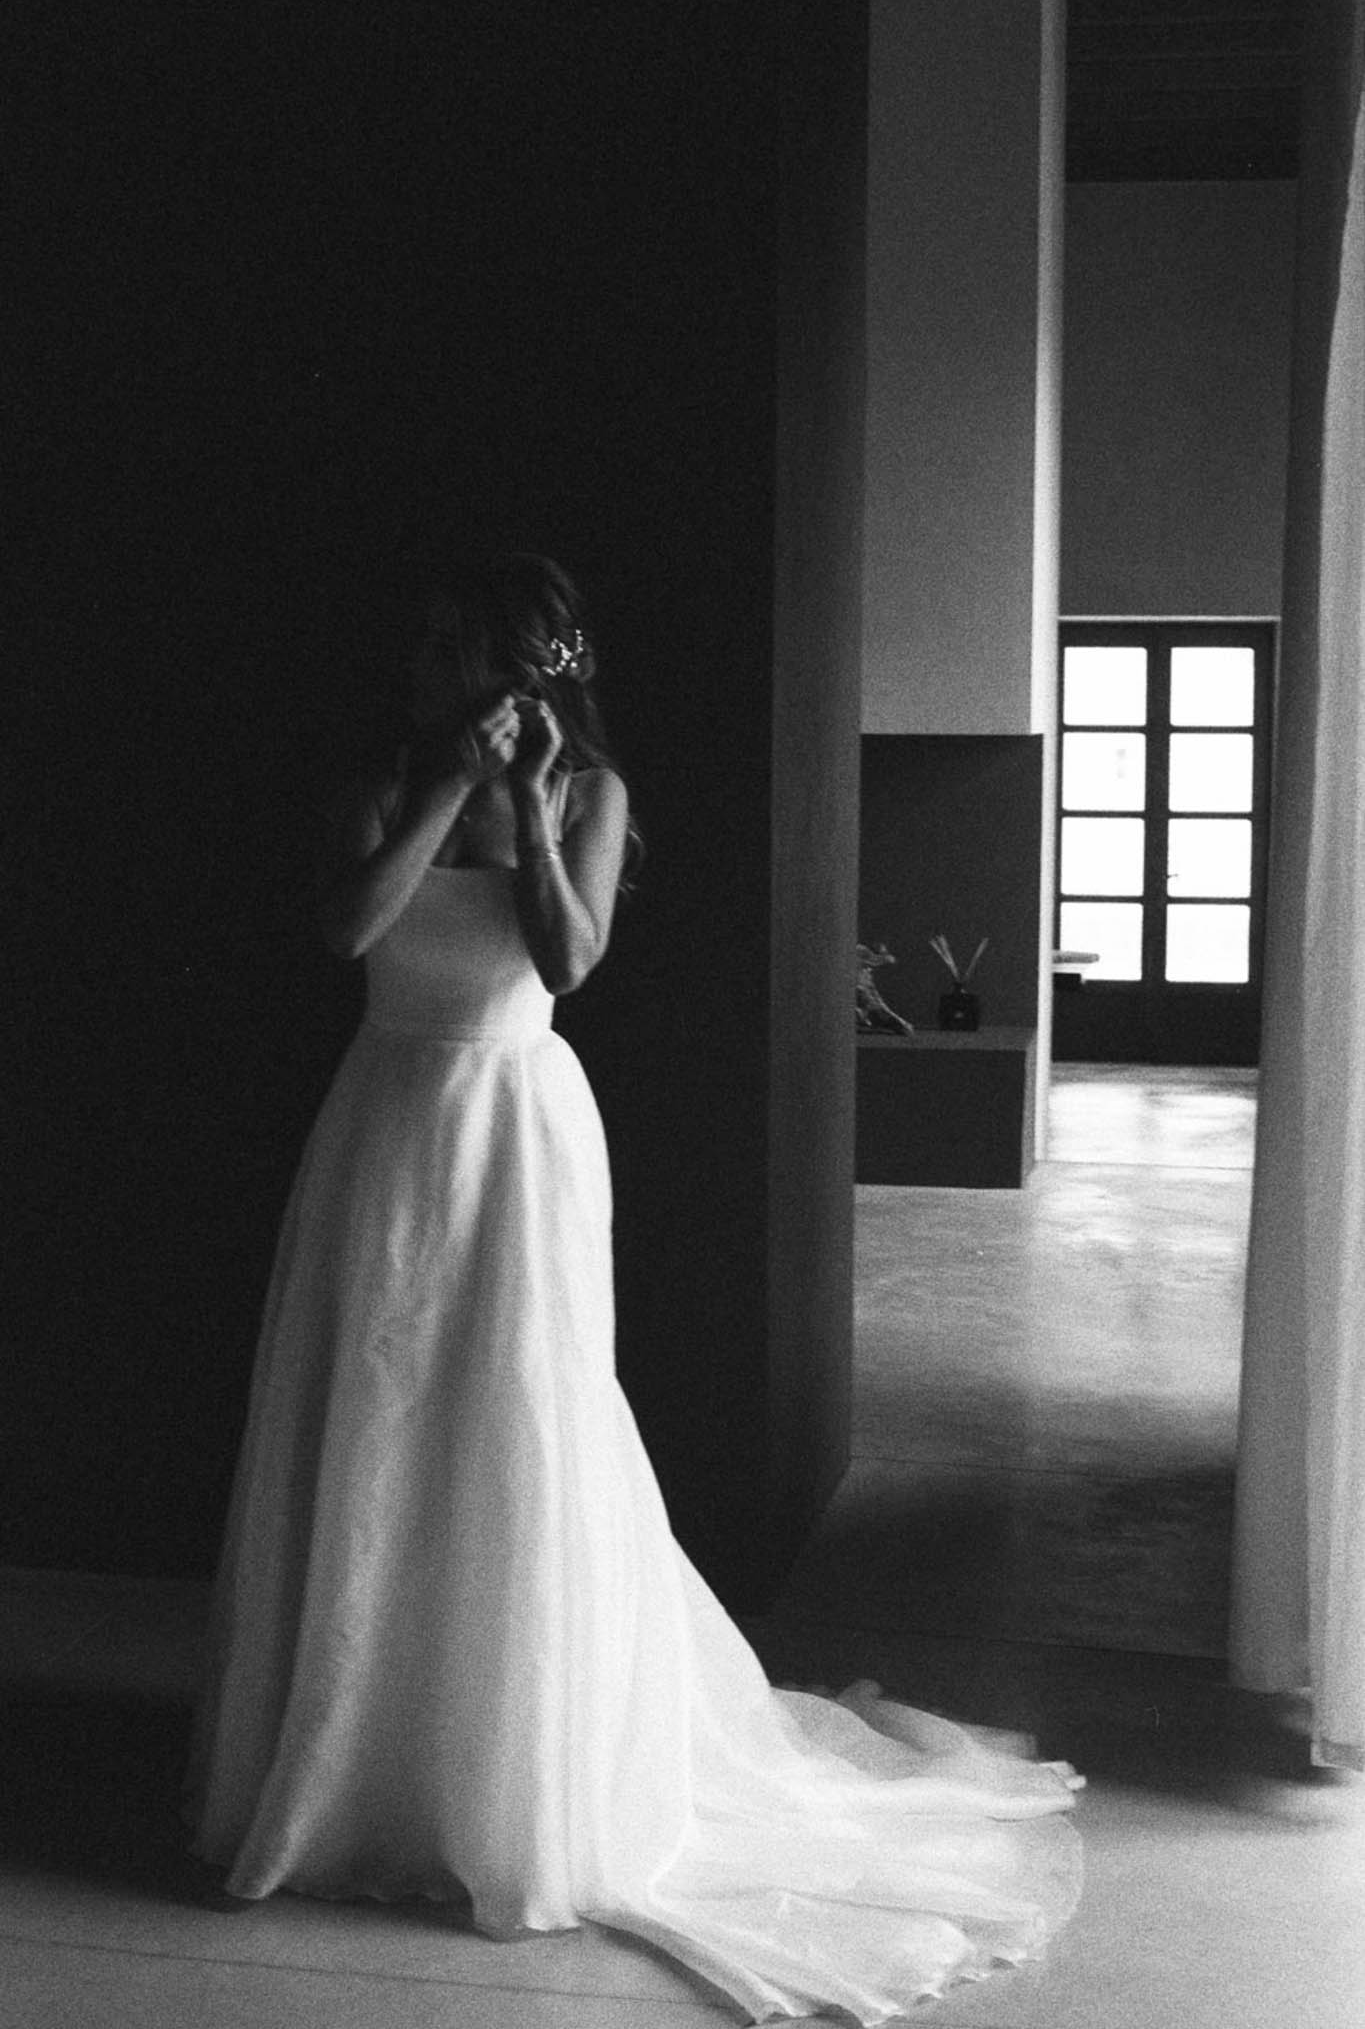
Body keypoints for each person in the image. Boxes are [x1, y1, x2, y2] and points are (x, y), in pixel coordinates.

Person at [185, 553, 1082, 2024]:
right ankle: (352, 1763)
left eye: (452, 652)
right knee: (369, 1414)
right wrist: (433, 796)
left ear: (519, 674)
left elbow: (569, 955)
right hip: (386, 1122)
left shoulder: (591, 799)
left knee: (516, 1423)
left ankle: (514, 1777)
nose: (424, 671)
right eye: (421, 647)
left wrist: (529, 808)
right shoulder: (376, 780)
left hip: (519, 1126)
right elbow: (343, 932)